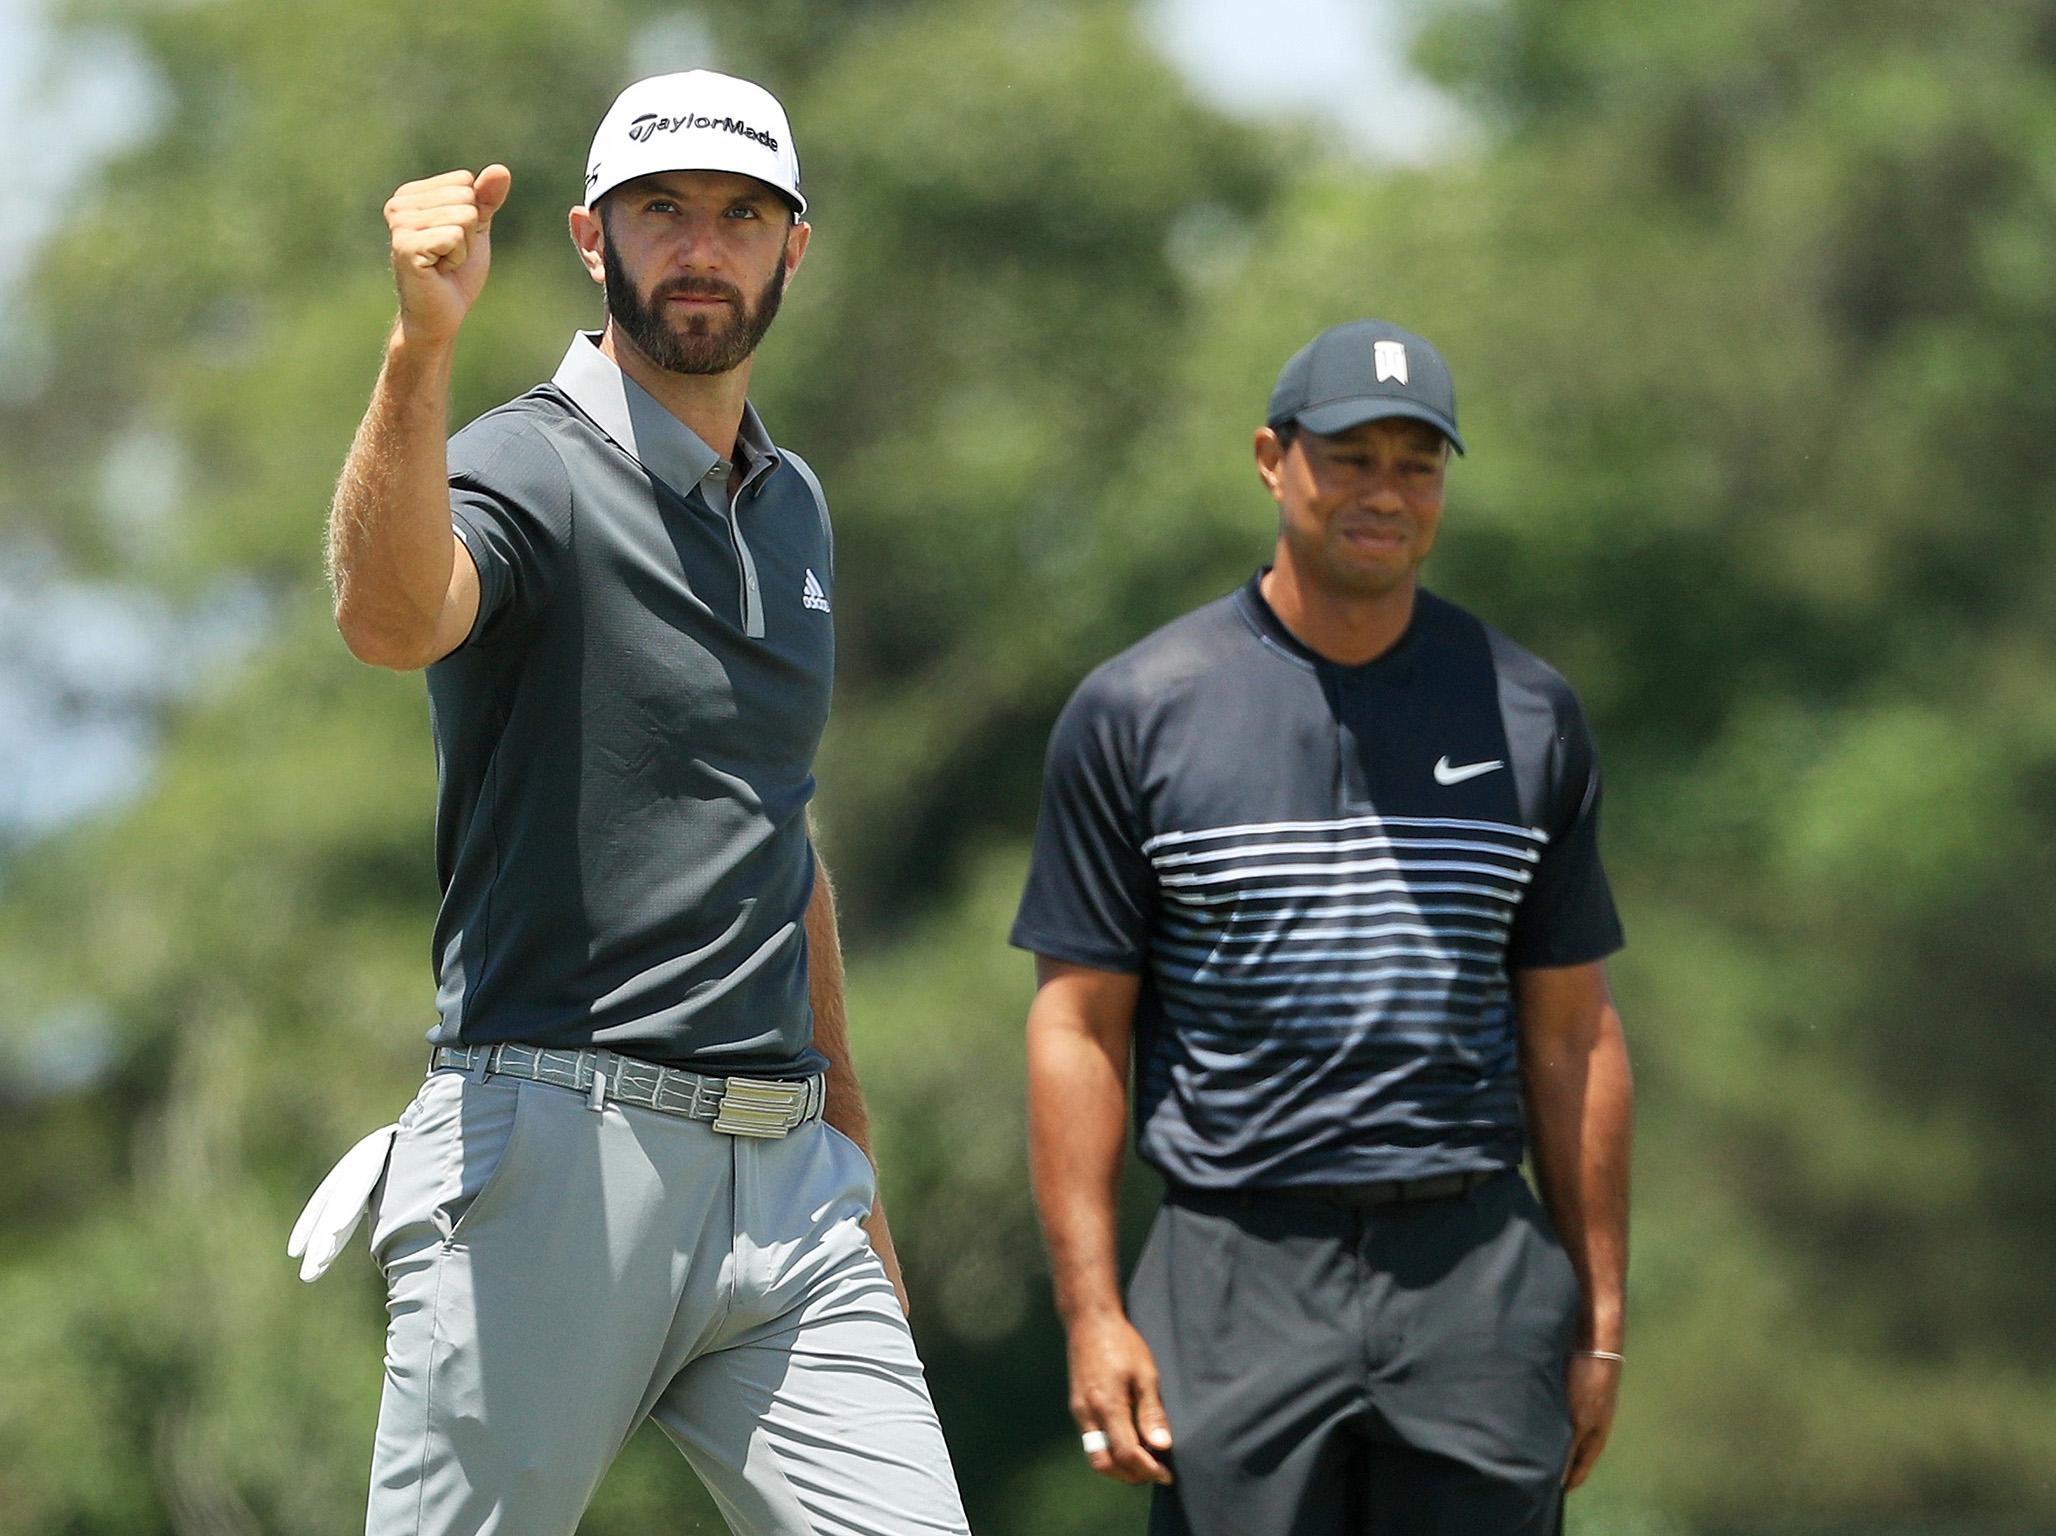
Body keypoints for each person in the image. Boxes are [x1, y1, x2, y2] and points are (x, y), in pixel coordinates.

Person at [309, 69, 970, 1536]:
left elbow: (771, 828)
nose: (700, 246)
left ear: (793, 250)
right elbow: (389, 616)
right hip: (553, 1155)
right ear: (589, 236)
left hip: (787, 1181)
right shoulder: (520, 462)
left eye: (741, 216)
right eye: (660, 211)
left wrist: (847, 1141)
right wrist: (419, 352)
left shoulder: (791, 505)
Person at [1013, 319, 1633, 1535]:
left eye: (1417, 464)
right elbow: (1077, 1028)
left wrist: (1599, 1322)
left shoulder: (1528, 713)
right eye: (1350, 457)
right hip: (1233, 1265)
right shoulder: (1138, 712)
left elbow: (1574, 1036)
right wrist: (1093, 1313)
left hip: (1475, 1270)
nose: (1384, 494)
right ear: (1270, 459)